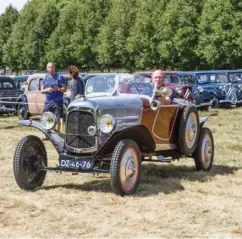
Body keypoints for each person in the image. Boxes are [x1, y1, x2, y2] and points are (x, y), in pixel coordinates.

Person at [41, 62, 67, 131]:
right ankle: (48, 135)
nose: (51, 68)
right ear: (47, 69)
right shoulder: (45, 77)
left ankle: (57, 136)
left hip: (57, 102)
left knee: (57, 120)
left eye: (52, 67)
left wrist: (58, 89)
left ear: (54, 68)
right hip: (48, 102)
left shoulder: (59, 77)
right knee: (47, 118)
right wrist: (48, 90)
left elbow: (64, 89)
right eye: (49, 67)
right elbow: (41, 91)